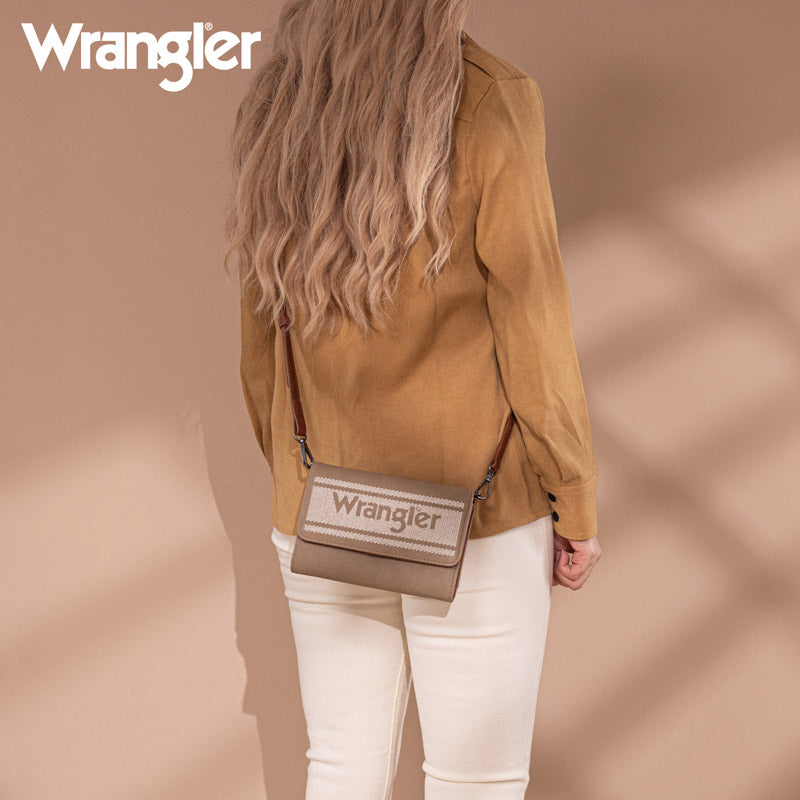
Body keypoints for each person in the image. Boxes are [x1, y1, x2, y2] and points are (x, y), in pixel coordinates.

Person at [225, 2, 602, 797]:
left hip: (323, 505)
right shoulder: (490, 99)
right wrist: (573, 497)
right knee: (475, 781)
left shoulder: (286, 97)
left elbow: (262, 345)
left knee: (342, 766)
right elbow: (533, 322)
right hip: (475, 515)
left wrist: (300, 478)